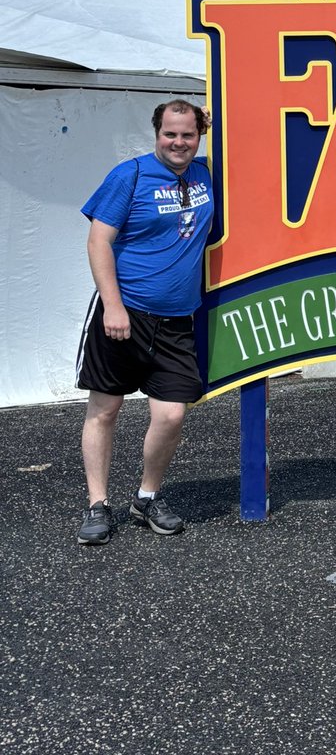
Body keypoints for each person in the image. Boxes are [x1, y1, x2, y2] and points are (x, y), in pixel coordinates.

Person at [75, 100, 214, 545]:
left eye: (188, 135)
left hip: (176, 321)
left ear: (200, 136)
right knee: (105, 410)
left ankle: (146, 498)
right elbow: (98, 241)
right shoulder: (130, 176)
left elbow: (261, 154)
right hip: (125, 312)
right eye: (170, 134)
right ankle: (98, 506)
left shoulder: (207, 174)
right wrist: (113, 306)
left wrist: (224, 112)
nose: (179, 143)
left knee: (172, 414)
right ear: (157, 133)